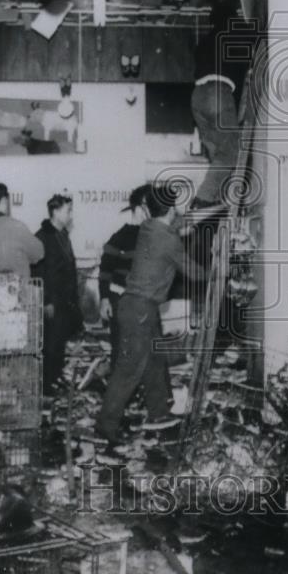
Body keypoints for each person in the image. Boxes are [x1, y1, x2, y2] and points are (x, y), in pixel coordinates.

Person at [96, 183, 207, 447]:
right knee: (129, 370)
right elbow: (194, 272)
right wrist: (224, 271)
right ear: (170, 208)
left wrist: (213, 210)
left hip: (138, 307)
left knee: (155, 360)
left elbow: (178, 221)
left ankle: (158, 412)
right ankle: (105, 425)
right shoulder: (166, 239)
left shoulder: (149, 227)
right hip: (139, 310)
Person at [190, 0, 251, 209]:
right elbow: (261, 35)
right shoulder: (234, 32)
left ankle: (214, 195)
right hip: (217, 94)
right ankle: (205, 198)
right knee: (231, 150)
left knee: (217, 152)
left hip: (197, 97)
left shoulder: (206, 41)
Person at [33, 194, 84, 394]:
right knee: (50, 345)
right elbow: (38, 272)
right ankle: (47, 387)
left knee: (59, 343)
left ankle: (55, 378)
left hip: (64, 302)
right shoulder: (42, 237)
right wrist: (46, 301)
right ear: (55, 211)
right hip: (51, 302)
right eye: (67, 210)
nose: (71, 214)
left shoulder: (63, 235)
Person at [98, 183, 152, 368]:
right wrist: (104, 299)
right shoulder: (120, 237)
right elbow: (105, 270)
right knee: (121, 350)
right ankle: (119, 395)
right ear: (138, 209)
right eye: (148, 206)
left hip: (143, 303)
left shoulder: (152, 235)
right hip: (121, 302)